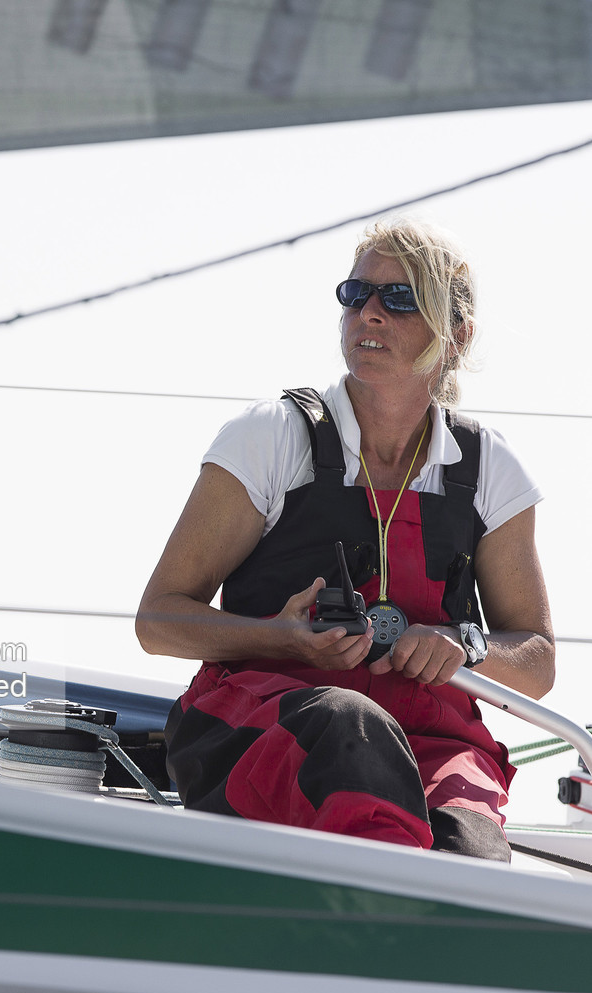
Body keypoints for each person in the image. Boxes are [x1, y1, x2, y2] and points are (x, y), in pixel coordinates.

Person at [135, 216, 554, 862]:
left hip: (433, 743)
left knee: (472, 852)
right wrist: (278, 635)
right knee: (352, 730)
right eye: (355, 295)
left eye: (399, 298)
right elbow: (158, 620)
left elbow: (537, 660)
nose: (370, 315)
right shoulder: (271, 437)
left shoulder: (491, 470)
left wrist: (463, 646)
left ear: (456, 335)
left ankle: (434, 923)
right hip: (261, 729)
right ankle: (393, 924)